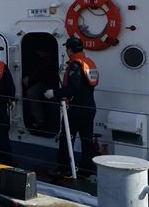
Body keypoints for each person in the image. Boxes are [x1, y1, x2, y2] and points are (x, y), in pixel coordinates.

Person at [44, 37, 98, 178]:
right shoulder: (89, 63)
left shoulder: (75, 66)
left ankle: (65, 169)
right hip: (90, 107)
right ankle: (86, 170)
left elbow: (73, 88)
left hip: (76, 109)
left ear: (69, 49)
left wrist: (54, 93)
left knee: (67, 138)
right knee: (87, 139)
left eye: (67, 48)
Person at [23, 49, 59, 128]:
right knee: (31, 93)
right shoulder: (35, 58)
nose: (41, 55)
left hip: (56, 84)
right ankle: (39, 119)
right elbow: (36, 70)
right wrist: (28, 76)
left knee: (53, 101)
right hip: (42, 83)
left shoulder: (54, 59)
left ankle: (55, 124)